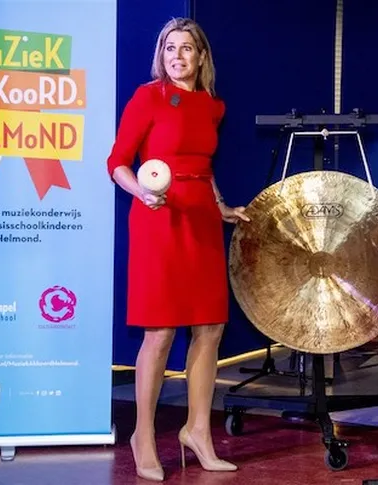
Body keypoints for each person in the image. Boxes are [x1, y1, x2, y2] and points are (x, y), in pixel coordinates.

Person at [106, 17, 249, 482]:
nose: (178, 56)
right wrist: (141, 192)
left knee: (210, 326)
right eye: (170, 48)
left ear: (201, 56)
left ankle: (197, 431)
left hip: (201, 219)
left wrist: (222, 206)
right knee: (161, 331)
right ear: (161, 55)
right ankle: (143, 436)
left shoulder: (212, 106)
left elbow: (202, 168)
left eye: (187, 48)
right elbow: (117, 162)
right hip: (159, 218)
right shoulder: (147, 97)